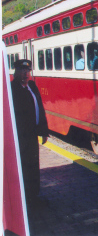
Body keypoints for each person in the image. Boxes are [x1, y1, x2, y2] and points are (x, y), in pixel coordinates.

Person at [10, 59, 49, 208]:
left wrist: (44, 131)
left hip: (33, 135)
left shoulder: (32, 86)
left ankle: (33, 196)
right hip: (21, 136)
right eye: (22, 71)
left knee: (33, 165)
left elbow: (40, 108)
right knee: (24, 167)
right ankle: (25, 199)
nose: (26, 74)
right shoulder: (13, 89)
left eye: (28, 71)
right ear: (16, 72)